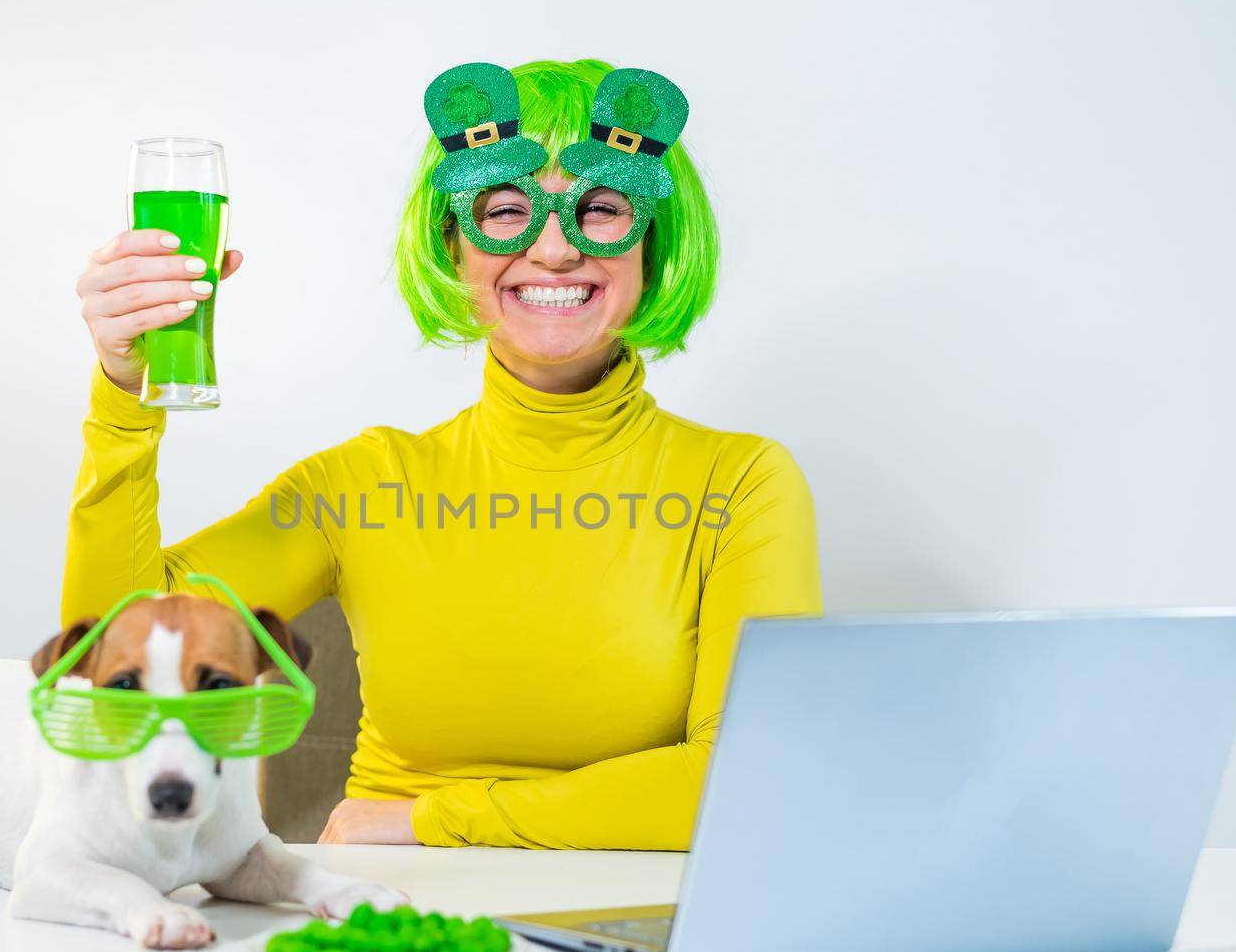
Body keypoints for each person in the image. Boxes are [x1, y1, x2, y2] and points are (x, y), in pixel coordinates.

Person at [63, 58, 822, 850]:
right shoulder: (360, 485)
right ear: (452, 246)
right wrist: (123, 397)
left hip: (637, 915)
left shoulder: (741, 484)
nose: (555, 250)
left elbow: (758, 774)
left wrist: (434, 821)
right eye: (504, 210)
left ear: (654, 244)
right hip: (398, 907)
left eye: (600, 208)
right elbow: (104, 643)